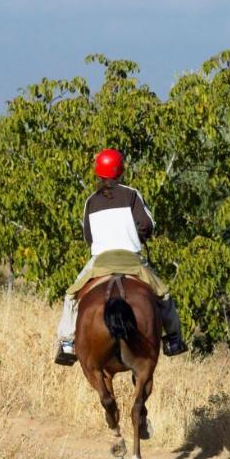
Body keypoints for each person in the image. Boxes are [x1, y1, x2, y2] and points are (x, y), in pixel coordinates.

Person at [53, 148, 188, 366]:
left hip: (100, 261)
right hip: (131, 260)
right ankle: (173, 339)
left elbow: (88, 236)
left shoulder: (91, 201)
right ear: (121, 170)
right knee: (163, 294)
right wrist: (138, 236)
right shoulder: (132, 194)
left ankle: (67, 343)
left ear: (98, 173)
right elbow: (147, 224)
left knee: (71, 296)